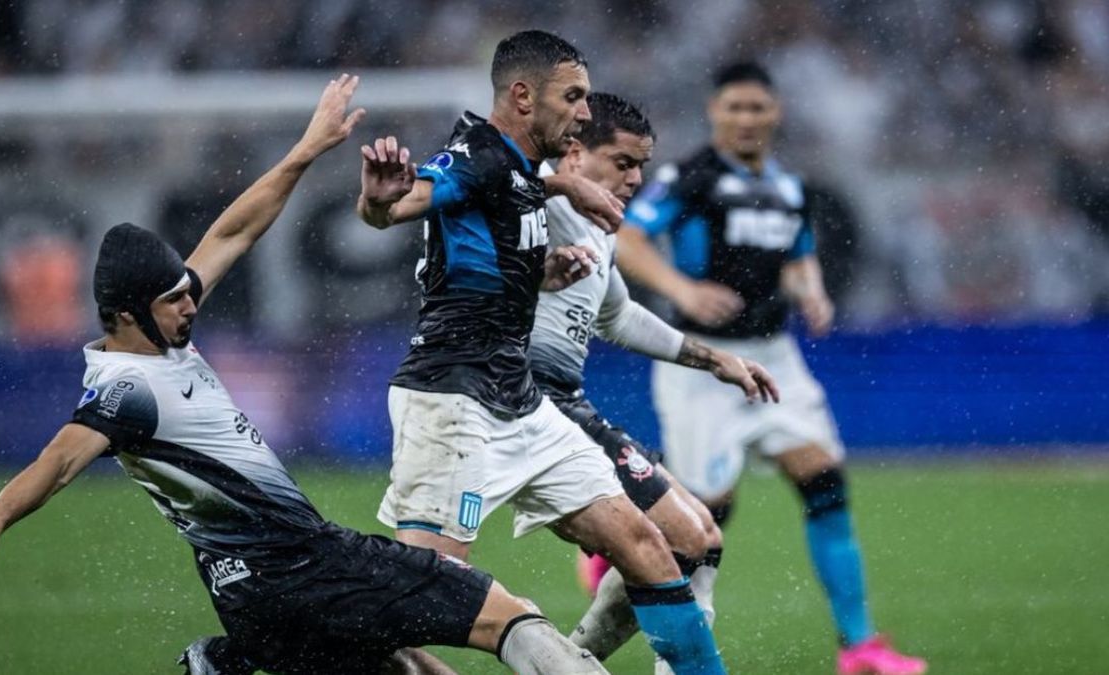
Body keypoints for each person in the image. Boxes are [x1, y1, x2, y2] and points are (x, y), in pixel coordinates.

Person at [0, 75, 607, 675]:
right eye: (173, 297)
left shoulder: (160, 338)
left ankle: (224, 659)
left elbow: (233, 233)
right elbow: (59, 459)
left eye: (186, 290)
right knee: (510, 617)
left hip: (250, 601)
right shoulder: (124, 390)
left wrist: (307, 149)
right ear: (124, 314)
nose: (192, 300)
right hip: (308, 565)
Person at [358, 30, 728, 674]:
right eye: (574, 96)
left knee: (646, 542)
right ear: (524, 96)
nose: (585, 112)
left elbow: (502, 215)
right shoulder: (474, 155)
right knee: (419, 599)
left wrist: (545, 248)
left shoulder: (523, 172)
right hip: (452, 402)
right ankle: (272, 646)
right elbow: (404, 203)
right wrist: (378, 200)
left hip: (523, 404)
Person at [615, 61, 928, 675]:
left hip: (775, 355)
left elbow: (797, 256)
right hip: (702, 360)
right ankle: (625, 548)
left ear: (775, 113)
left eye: (757, 108)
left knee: (824, 480)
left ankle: (859, 647)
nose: (746, 119)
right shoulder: (691, 175)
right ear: (714, 112)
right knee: (704, 518)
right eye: (734, 107)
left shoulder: (789, 186)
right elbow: (627, 236)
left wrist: (811, 291)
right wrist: (681, 288)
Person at [527, 92, 779, 669]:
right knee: (682, 543)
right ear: (573, 154)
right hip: (517, 400)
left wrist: (714, 360)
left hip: (565, 403)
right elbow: (463, 188)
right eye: (622, 163)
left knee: (702, 540)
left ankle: (571, 662)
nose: (637, 179)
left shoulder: (601, 225)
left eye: (641, 165)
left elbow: (616, 315)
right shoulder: (526, 194)